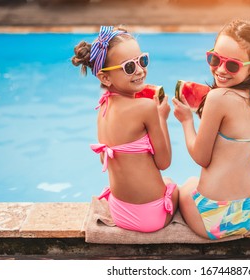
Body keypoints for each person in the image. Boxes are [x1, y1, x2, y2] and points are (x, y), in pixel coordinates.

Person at [172, 19, 250, 240]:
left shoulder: (216, 97)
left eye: (232, 65)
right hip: (248, 215)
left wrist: (186, 121)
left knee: (184, 188)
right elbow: (229, 130)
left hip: (212, 221)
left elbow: (201, 157)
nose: (220, 70)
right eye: (215, 59)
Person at [72, 25, 178, 233]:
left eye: (142, 60)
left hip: (119, 212)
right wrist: (162, 118)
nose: (139, 70)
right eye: (129, 67)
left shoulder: (102, 106)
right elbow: (164, 162)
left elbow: (105, 159)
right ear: (105, 77)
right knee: (174, 186)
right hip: (150, 217)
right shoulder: (147, 108)